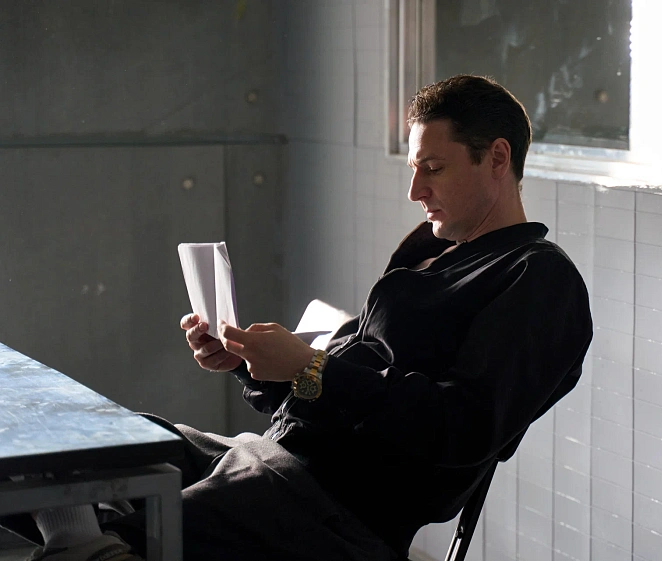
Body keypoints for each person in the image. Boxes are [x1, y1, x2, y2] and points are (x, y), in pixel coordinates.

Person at [19, 74, 592, 561]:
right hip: (269, 459)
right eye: (414, 168)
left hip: (333, 512)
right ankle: (86, 540)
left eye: (433, 168)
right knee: (88, 442)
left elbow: (461, 429)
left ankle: (94, 546)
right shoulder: (431, 253)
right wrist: (250, 363)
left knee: (128, 528)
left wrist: (308, 367)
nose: (415, 190)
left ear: (497, 158)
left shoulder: (539, 278)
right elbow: (329, 390)